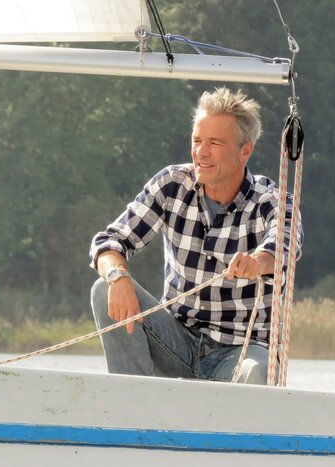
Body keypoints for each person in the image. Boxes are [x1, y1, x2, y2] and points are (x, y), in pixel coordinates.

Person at [89, 87, 302, 384]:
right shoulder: (171, 184)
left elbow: (285, 244)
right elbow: (109, 243)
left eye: (214, 143)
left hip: (239, 352)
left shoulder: (271, 199)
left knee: (258, 372)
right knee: (104, 289)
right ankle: (133, 409)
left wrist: (257, 262)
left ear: (245, 150)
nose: (201, 151)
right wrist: (117, 276)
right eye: (198, 140)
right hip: (175, 342)